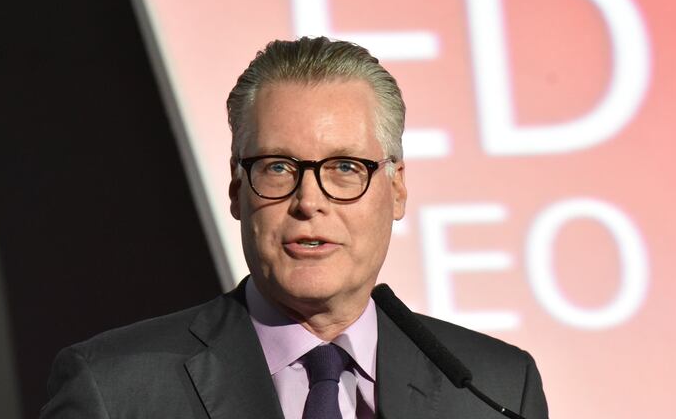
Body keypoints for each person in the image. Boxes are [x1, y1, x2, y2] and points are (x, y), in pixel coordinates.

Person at [41, 36, 548, 419]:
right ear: (237, 190)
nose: (309, 202)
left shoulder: (495, 388)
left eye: (345, 167)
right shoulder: (114, 389)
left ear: (396, 189)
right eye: (278, 167)